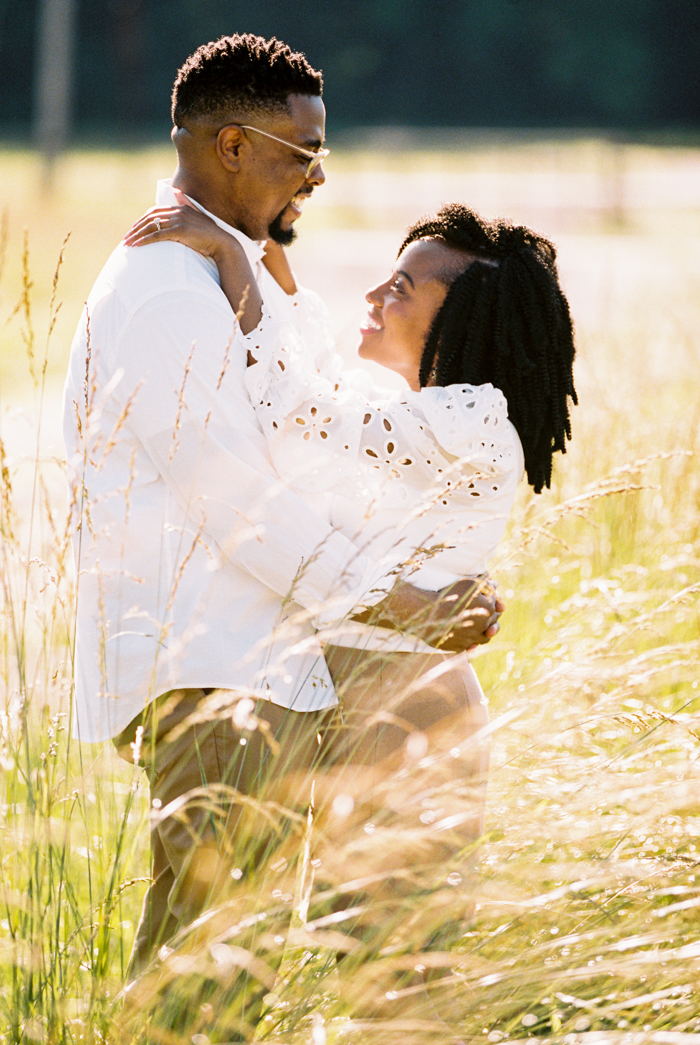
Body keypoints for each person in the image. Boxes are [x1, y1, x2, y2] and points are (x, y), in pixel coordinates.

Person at [62, 34, 501, 978]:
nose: (317, 178)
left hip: (256, 663)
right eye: (304, 154)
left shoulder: (220, 271)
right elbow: (245, 506)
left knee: (234, 968)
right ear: (231, 147)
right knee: (204, 971)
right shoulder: (165, 288)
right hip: (213, 670)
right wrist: (397, 599)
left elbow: (317, 420)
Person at [124, 199, 577, 995]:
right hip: (351, 701)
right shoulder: (421, 421)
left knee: (396, 978)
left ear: (464, 316)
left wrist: (237, 265)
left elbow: (307, 408)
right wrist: (278, 277)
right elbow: (329, 396)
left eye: (402, 287)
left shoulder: (472, 418)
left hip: (407, 713)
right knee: (344, 954)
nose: (375, 294)